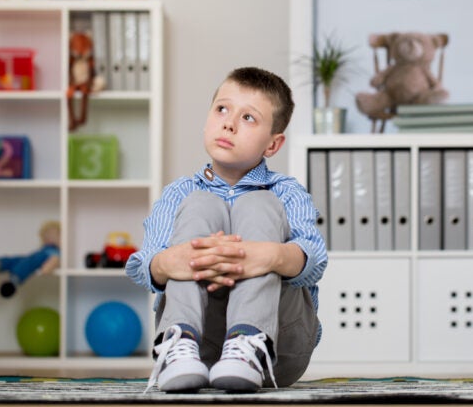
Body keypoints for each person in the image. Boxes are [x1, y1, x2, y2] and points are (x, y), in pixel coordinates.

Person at [126, 66, 328, 394]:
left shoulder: (286, 191)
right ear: (208, 117)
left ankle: (249, 342)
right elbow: (144, 264)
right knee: (200, 203)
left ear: (273, 145)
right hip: (202, 347)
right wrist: (167, 263)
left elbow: (316, 259)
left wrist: (272, 256)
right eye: (222, 109)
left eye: (249, 118)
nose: (229, 123)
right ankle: (180, 343)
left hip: (279, 350)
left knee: (258, 204)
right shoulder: (180, 193)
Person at [0, 220, 61, 298]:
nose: (49, 238)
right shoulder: (45, 248)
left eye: (53, 235)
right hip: (30, 258)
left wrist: (46, 269)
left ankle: (13, 282)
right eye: (46, 235)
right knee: (15, 259)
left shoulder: (55, 252)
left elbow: (53, 261)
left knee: (25, 265)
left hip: (34, 261)